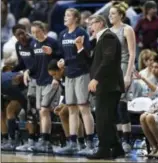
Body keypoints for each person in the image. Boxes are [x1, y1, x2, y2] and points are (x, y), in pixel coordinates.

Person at [83, 15, 125, 159]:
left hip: (109, 85)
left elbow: (108, 60)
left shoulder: (108, 37)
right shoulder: (100, 39)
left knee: (103, 119)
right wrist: (80, 48)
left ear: (100, 23)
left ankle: (104, 149)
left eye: (92, 24)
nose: (90, 28)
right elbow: (92, 63)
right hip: (107, 85)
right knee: (106, 119)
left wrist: (96, 78)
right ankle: (117, 148)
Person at [55, 8, 95, 155]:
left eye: (68, 15)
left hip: (82, 73)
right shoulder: (62, 34)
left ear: (76, 19)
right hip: (68, 75)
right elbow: (61, 53)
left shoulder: (81, 33)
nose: (65, 17)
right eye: (65, 15)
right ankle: (73, 142)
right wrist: (60, 60)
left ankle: (90, 143)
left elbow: (86, 55)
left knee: (84, 108)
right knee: (71, 108)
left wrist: (65, 60)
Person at [24, 20, 61, 153]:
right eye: (33, 32)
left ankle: (45, 140)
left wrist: (52, 53)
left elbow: (62, 59)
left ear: (43, 30)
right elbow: (35, 64)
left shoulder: (53, 42)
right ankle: (45, 140)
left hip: (51, 81)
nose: (35, 34)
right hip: (39, 81)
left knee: (44, 110)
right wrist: (28, 71)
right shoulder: (33, 44)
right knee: (42, 111)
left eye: (37, 32)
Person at [109, 1, 136, 153]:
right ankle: (117, 141)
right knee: (113, 106)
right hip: (111, 70)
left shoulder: (127, 29)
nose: (110, 16)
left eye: (113, 13)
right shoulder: (108, 31)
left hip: (124, 66)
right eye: (109, 13)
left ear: (121, 15)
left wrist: (128, 74)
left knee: (121, 104)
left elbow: (132, 53)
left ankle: (127, 140)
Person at [47, 59, 86, 151]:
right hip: (74, 97)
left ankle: (73, 143)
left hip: (84, 95)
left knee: (67, 112)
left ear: (61, 69)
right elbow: (66, 92)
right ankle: (79, 142)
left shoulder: (70, 73)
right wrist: (63, 103)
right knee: (63, 113)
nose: (54, 78)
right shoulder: (61, 77)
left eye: (54, 74)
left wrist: (65, 104)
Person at [10, 24, 38, 152]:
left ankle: (38, 140)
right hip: (30, 80)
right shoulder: (18, 46)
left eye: (23, 33)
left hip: (40, 79)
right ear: (14, 36)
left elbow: (38, 63)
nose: (21, 36)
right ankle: (31, 140)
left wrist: (27, 71)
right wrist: (11, 70)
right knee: (29, 111)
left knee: (35, 111)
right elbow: (22, 63)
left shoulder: (34, 43)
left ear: (27, 32)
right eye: (18, 34)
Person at [1, 71, 27, 150]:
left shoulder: (6, 83)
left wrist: (27, 108)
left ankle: (13, 140)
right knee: (2, 113)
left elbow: (21, 98)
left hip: (25, 89)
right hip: (14, 88)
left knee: (10, 110)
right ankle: (6, 139)